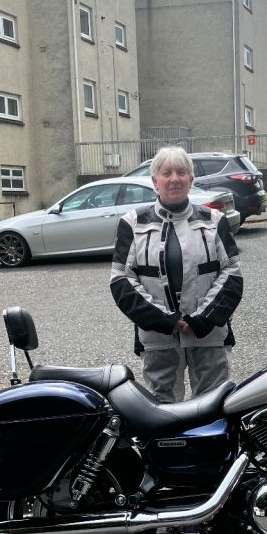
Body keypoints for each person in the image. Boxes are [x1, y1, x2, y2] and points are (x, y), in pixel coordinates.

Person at [110, 146, 243, 402]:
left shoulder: (214, 220)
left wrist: (202, 319)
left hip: (208, 335)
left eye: (181, 173)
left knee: (213, 402)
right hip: (158, 338)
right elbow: (121, 280)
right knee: (162, 407)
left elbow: (232, 274)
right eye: (166, 173)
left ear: (191, 180)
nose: (174, 179)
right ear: (154, 181)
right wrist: (164, 320)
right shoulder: (132, 223)